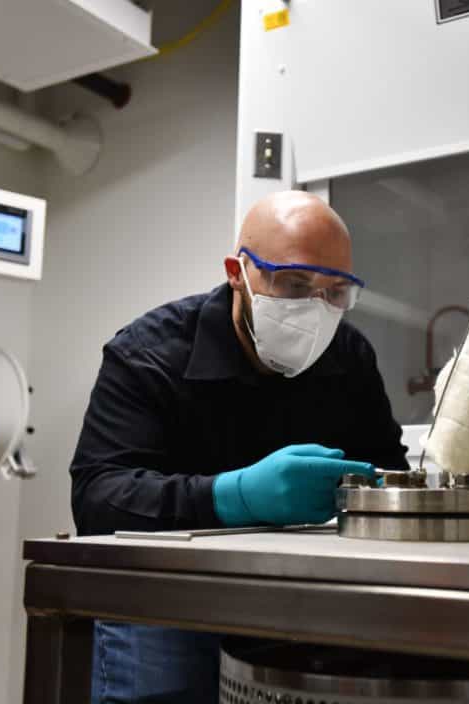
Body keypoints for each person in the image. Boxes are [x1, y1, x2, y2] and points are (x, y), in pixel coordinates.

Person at [69, 190, 408, 703]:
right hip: (168, 597)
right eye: (295, 284)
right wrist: (235, 496)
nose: (316, 309)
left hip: (303, 596)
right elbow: (98, 497)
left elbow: (388, 472)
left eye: (336, 292)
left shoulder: (349, 356)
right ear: (237, 271)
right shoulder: (147, 355)